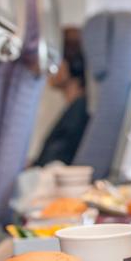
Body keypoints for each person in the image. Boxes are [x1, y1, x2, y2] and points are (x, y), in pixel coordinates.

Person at [33, 28, 90, 167]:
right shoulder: (77, 107)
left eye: (54, 57)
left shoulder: (78, 111)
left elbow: (50, 163)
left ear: (72, 64)